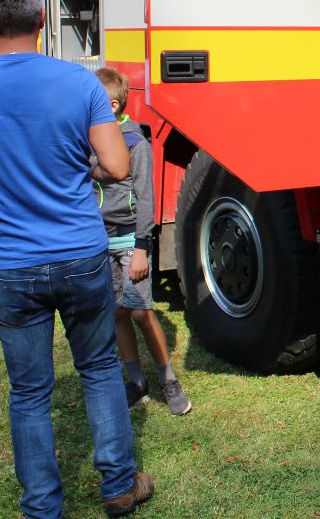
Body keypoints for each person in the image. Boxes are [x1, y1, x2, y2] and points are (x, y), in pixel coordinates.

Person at [0, 0, 153, 518]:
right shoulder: (80, 83)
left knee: (29, 392)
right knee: (99, 369)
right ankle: (119, 486)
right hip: (80, 254)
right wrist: (80, 165)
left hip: (11, 262)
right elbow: (118, 166)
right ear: (40, 20)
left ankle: (41, 507)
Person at [94, 67, 191, 416]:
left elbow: (146, 198)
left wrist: (141, 248)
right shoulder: (89, 138)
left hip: (129, 242)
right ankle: (136, 382)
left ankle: (168, 380)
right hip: (100, 241)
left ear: (113, 105)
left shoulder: (135, 141)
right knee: (117, 313)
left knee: (140, 312)